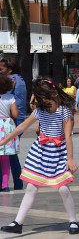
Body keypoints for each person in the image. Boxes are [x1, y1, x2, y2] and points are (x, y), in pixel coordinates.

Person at [0, 78, 79, 235]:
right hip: (41, 151)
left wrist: (70, 159)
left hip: (59, 151)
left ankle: (73, 221)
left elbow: (68, 136)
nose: (45, 101)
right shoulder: (39, 111)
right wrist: (3, 141)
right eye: (41, 98)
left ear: (54, 93)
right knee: (31, 187)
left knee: (63, 188)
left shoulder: (65, 112)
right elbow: (21, 127)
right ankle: (18, 222)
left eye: (46, 97)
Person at [0, 58, 26, 190]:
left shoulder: (10, 80)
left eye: (1, 69)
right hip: (17, 119)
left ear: (9, 70)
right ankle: (16, 183)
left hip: (13, 120)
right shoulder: (20, 79)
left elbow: (6, 97)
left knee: (9, 154)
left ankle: (14, 183)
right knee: (10, 153)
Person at [0, 75, 18, 192]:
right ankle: (5, 185)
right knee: (5, 159)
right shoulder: (10, 98)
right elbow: (15, 114)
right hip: (6, 127)